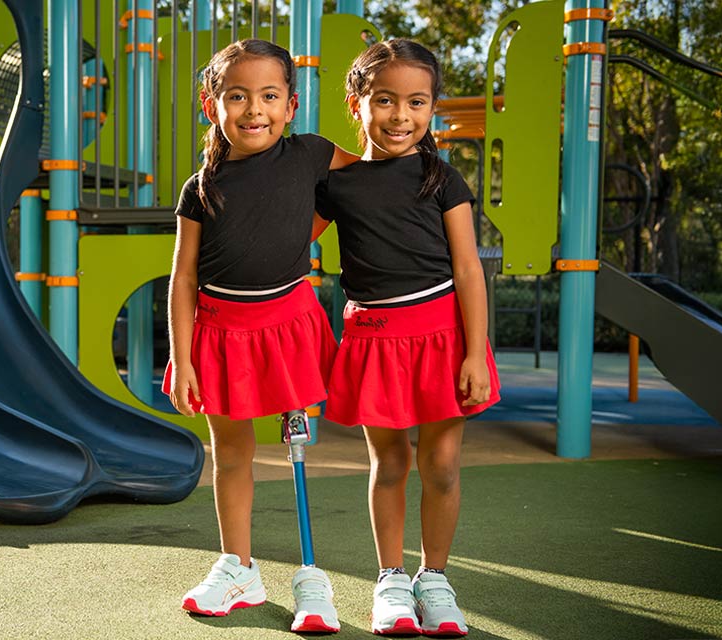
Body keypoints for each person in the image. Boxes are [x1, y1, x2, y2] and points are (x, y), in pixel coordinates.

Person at [164, 39, 355, 634]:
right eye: (238, 96)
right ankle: (238, 567)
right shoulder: (200, 187)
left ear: (292, 104)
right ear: (210, 104)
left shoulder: (312, 155)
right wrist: (182, 354)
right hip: (221, 330)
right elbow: (183, 278)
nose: (255, 109)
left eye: (270, 96)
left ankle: (310, 578)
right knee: (232, 453)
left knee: (296, 441)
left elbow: (375, 181)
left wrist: (310, 230)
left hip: (290, 321)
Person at [314, 39, 501, 637]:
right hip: (375, 339)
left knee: (442, 464)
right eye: (385, 101)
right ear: (356, 103)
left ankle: (435, 579)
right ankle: (392, 580)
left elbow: (469, 269)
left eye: (416, 103)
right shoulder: (336, 184)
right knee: (389, 461)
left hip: (445, 335)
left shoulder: (441, 177)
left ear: (432, 108)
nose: (401, 116)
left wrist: (476, 349)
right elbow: (289, 250)